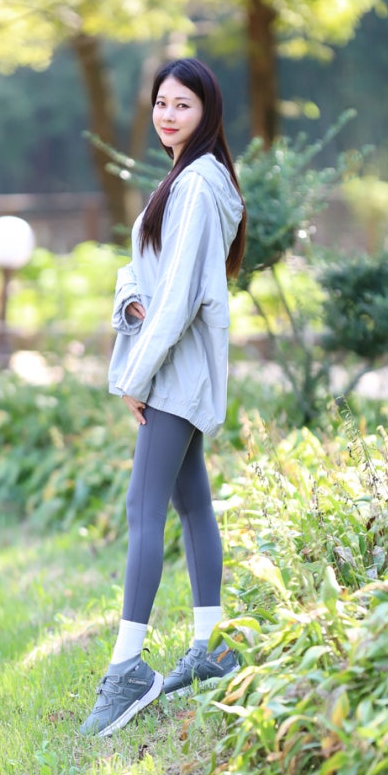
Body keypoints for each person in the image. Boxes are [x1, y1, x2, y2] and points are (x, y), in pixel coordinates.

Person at [81, 57, 248, 737]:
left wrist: (135, 375)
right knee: (191, 503)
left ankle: (128, 669)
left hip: (174, 373)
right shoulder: (185, 178)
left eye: (183, 104)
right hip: (178, 368)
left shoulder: (198, 184)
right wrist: (130, 302)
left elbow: (177, 297)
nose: (168, 115)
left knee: (143, 510)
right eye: (161, 103)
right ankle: (210, 648)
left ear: (207, 112)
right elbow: (145, 274)